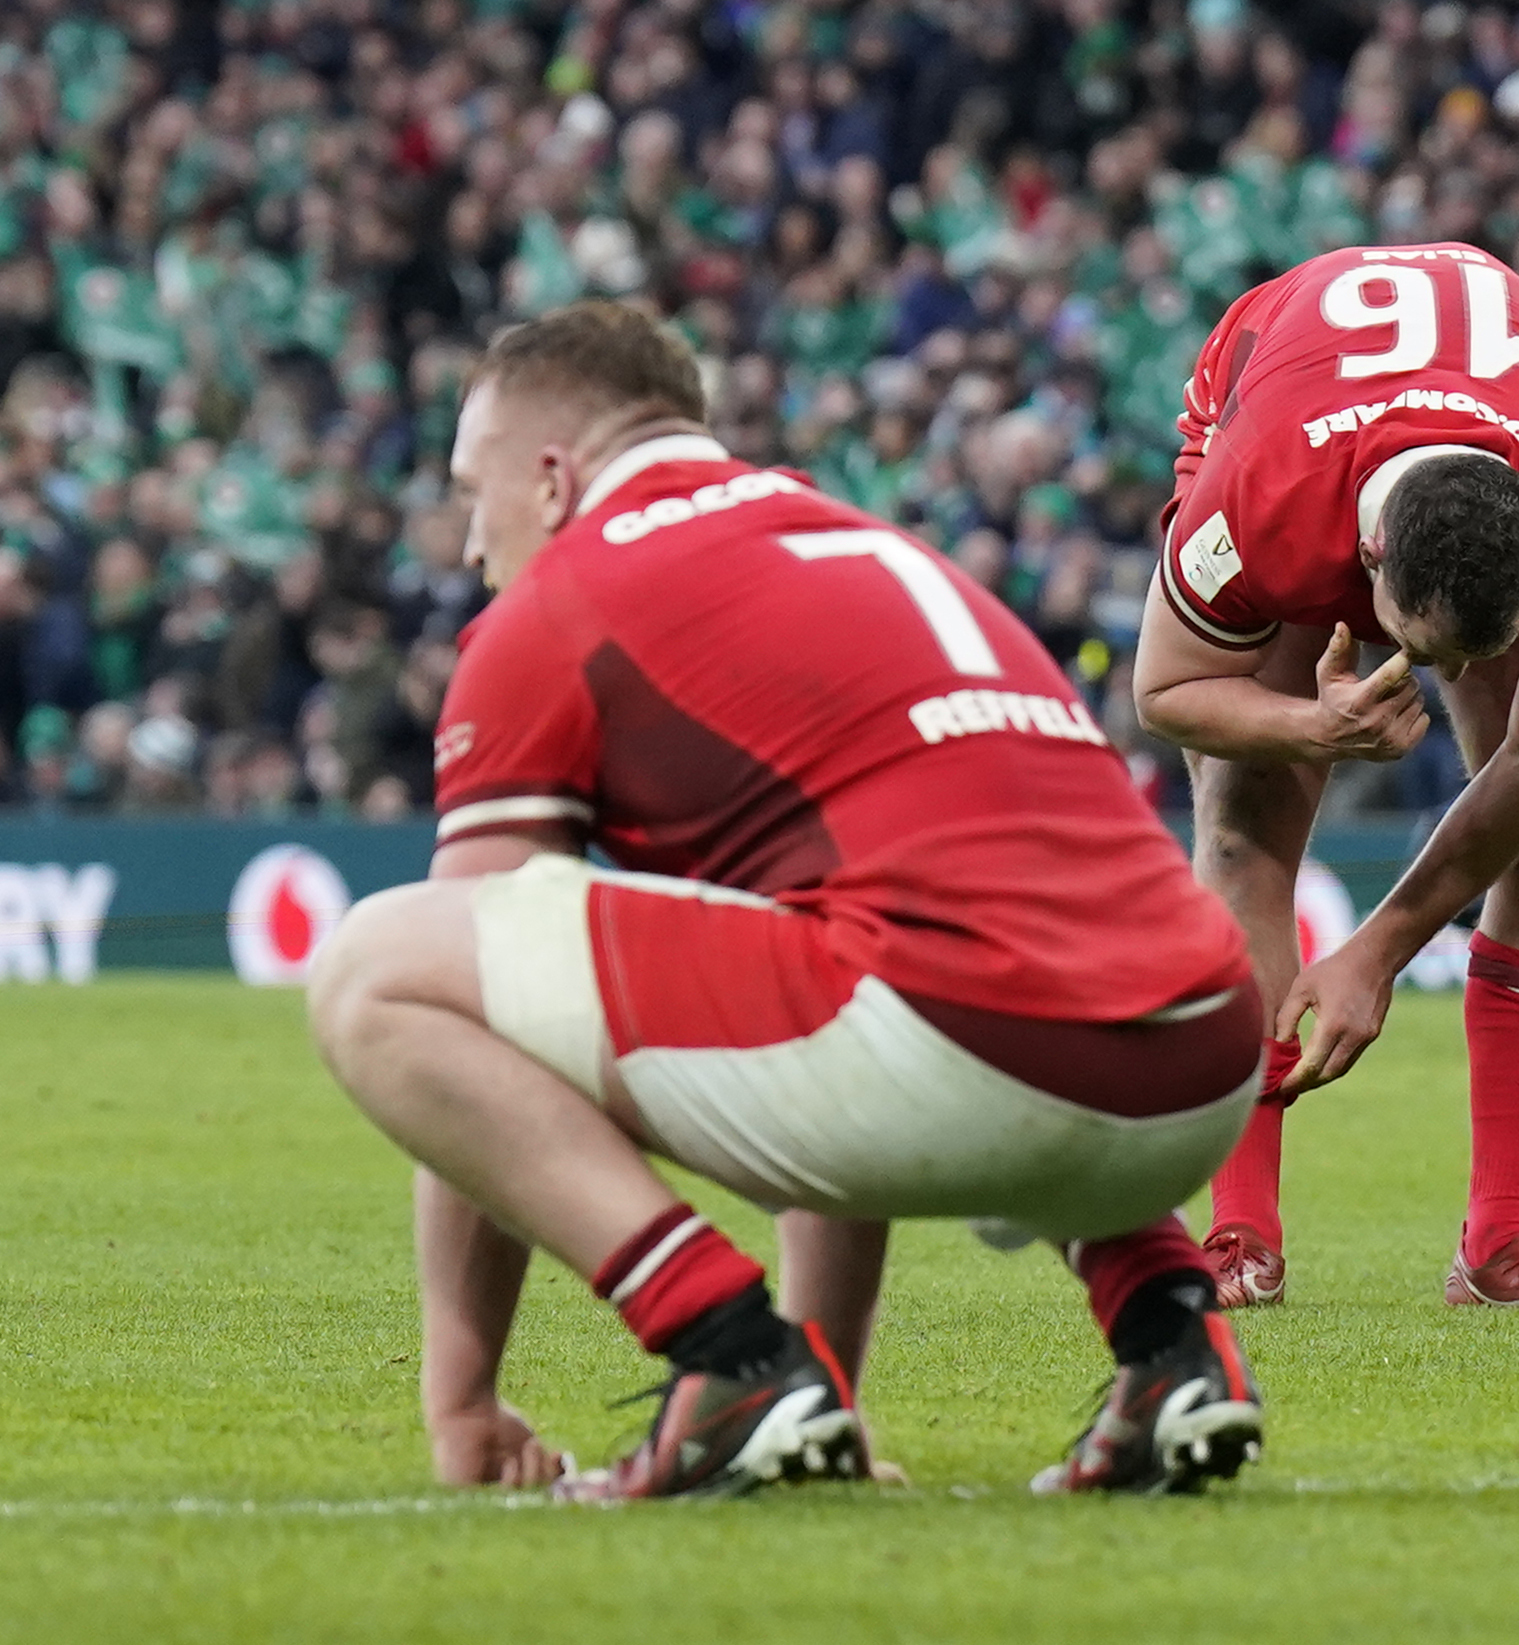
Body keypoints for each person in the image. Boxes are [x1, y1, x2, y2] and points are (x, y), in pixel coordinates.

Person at [307, 303, 1268, 1504]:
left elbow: (474, 980)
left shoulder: (559, 605)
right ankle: (1169, 1336)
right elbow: (827, 938)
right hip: (1204, 1060)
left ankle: (727, 1350)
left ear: (552, 479)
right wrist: (832, 1410)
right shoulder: (857, 540)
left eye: (471, 490)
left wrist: (458, 1395)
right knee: (886, 949)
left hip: (972, 1047)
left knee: (376, 965)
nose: (466, 544)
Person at [1133, 240, 1519, 1313]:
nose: (1457, 681)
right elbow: (1164, 690)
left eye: (1485, 650)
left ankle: (1502, 1245)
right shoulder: (1260, 501)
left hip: (1507, 416)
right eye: (1431, 650)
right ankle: (1239, 1233)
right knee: (1242, 809)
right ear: (1365, 562)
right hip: (1277, 385)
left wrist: (1374, 952)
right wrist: (1307, 721)